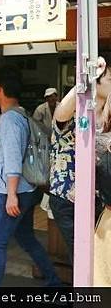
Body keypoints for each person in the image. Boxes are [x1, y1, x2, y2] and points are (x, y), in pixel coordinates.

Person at [0, 65, 61, 287]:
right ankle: (54, 281)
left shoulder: (9, 120)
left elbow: (13, 158)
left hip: (12, 192)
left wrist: (10, 195)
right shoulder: (22, 115)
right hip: (25, 190)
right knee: (26, 238)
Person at [49, 57, 111, 264]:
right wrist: (84, 80)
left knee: (98, 259)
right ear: (98, 81)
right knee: (84, 260)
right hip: (69, 198)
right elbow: (59, 114)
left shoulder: (107, 118)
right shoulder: (77, 111)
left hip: (99, 200)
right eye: (110, 78)